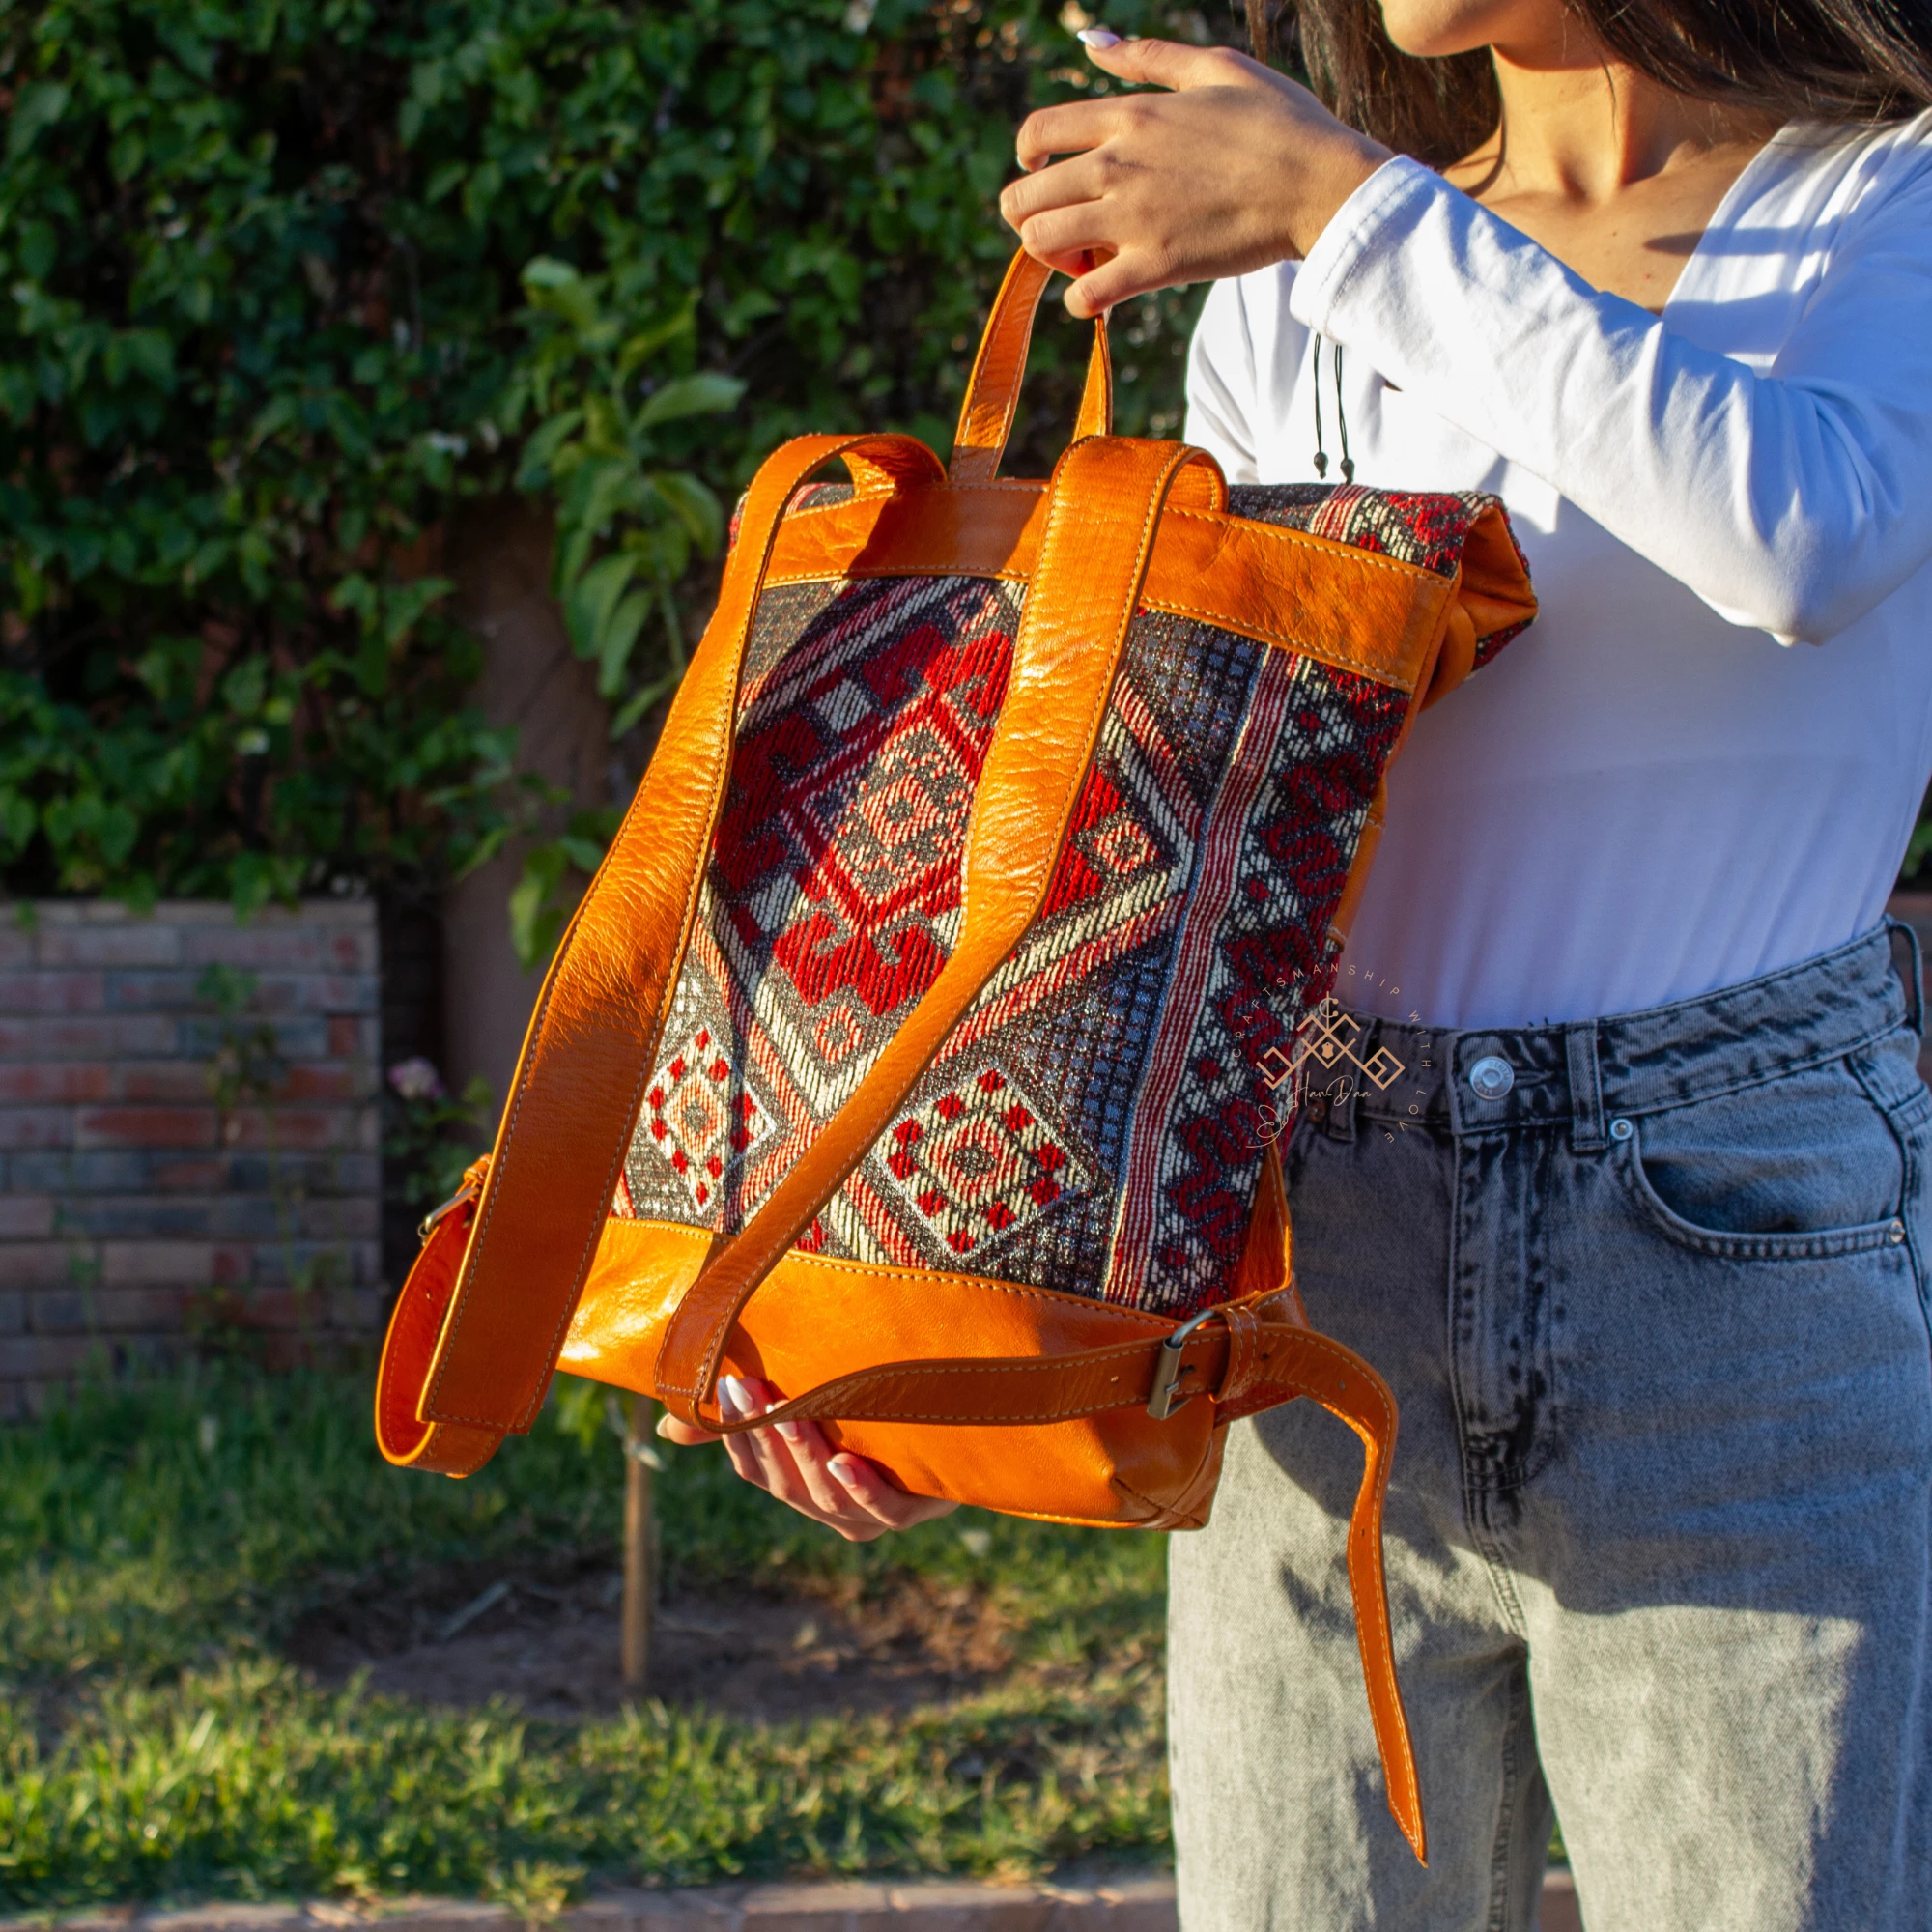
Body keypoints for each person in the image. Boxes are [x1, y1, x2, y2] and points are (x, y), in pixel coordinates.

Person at [660, 4, 1932, 1925]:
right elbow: (1191, 838)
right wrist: (918, 1295)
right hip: (1308, 1263)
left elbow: (1801, 538)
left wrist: (1349, 211)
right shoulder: (1299, 271)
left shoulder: (1874, 205)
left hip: (1725, 1264)